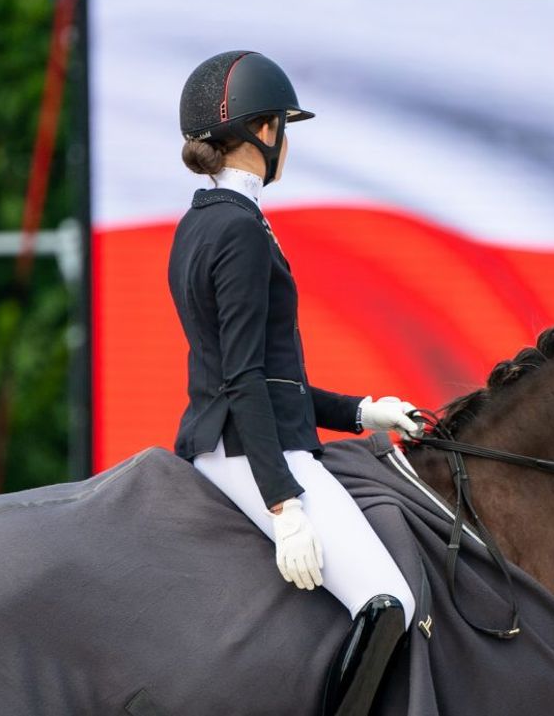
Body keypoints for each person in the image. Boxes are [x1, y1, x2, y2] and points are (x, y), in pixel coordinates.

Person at [168, 50, 420, 715]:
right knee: (389, 600)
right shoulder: (241, 231)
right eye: (286, 126)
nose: (289, 142)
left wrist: (363, 410)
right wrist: (285, 507)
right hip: (254, 452)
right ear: (263, 131)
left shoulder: (200, 222)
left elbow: (266, 376)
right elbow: (244, 377)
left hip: (225, 439)